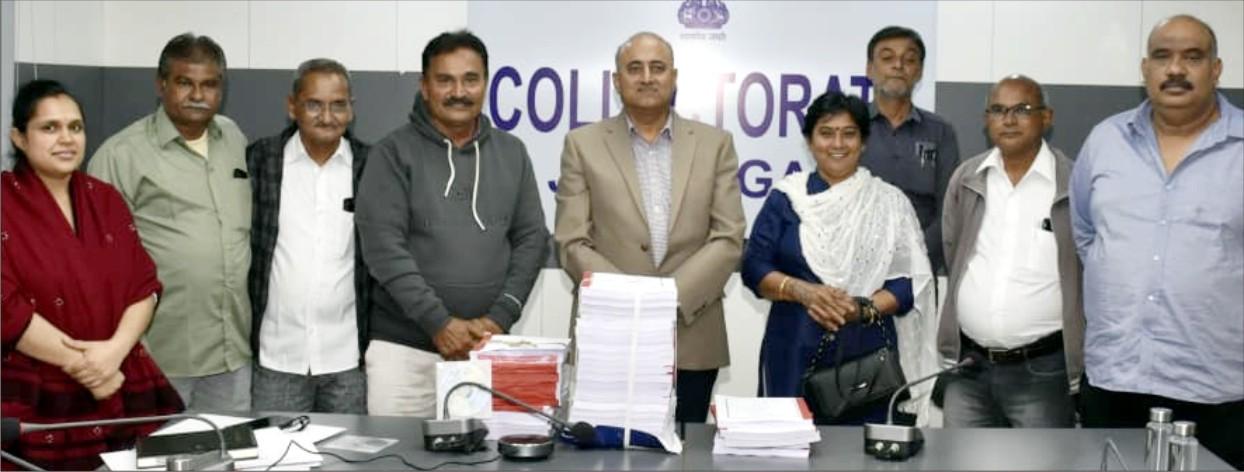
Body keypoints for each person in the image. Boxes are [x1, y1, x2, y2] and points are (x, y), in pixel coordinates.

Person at [1071, 14, 1242, 469]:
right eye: (1162, 57)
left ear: (1216, 69)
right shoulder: (1105, 140)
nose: (1176, 69)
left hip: (1217, 389)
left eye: (1193, 57)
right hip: (1115, 379)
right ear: (1145, 69)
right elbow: (1087, 234)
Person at [356, 30, 549, 417]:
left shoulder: (512, 152)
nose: (458, 92)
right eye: (445, 80)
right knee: (396, 449)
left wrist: (498, 319)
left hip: (485, 348)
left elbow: (532, 240)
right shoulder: (391, 154)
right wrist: (438, 323)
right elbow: (384, 250)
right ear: (424, 87)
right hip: (403, 355)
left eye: (470, 79)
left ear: (486, 84)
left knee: (481, 451)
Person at [555, 31, 745, 423]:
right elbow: (571, 241)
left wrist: (668, 299)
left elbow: (728, 237)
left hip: (691, 334)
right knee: (609, 448)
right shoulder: (582, 144)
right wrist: (634, 301)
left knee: (688, 447)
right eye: (634, 68)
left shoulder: (715, 144)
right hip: (610, 333)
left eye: (657, 68)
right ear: (616, 80)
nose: (646, 77)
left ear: (674, 77)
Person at [1, 79, 184, 470]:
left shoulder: (105, 198)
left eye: (75, 127)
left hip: (118, 378)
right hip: (37, 394)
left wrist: (113, 354)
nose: (66, 139)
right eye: (49, 128)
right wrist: (91, 368)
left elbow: (144, 286)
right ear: (19, 137)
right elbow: (6, 307)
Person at [741, 90, 936, 425]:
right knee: (789, 442)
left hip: (867, 353)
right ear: (809, 141)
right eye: (826, 133)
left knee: (863, 447)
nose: (838, 144)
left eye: (849, 134)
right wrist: (801, 290)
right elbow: (754, 267)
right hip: (794, 347)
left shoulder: (889, 202)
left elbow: (909, 281)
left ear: (863, 142)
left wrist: (862, 309)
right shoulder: (787, 198)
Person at [88, 32, 253, 411]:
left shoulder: (233, 138)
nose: (198, 95)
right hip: (160, 355)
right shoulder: (121, 155)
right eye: (184, 83)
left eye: (209, 84)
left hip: (231, 353)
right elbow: (97, 262)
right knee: (159, 448)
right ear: (161, 84)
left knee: (229, 447)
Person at [939, 75, 1081, 428]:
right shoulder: (967, 178)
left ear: (1046, 117)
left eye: (1022, 109)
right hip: (968, 367)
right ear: (986, 120)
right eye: (999, 110)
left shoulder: (1074, 184)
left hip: (1043, 371)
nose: (1009, 120)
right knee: (959, 457)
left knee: (1039, 459)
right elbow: (953, 251)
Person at [246, 58, 370, 414]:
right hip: (277, 359)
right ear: (292, 106)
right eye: (314, 104)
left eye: (338, 105)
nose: (327, 117)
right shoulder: (261, 161)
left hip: (346, 360)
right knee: (275, 448)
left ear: (351, 109)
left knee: (349, 449)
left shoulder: (370, 167)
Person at [860, 26, 961, 274]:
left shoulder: (940, 132)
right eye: (887, 58)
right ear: (870, 69)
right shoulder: (849, 126)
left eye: (909, 59)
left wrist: (915, 257)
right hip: (856, 267)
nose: (898, 65)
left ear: (920, 71)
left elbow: (950, 209)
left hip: (920, 269)